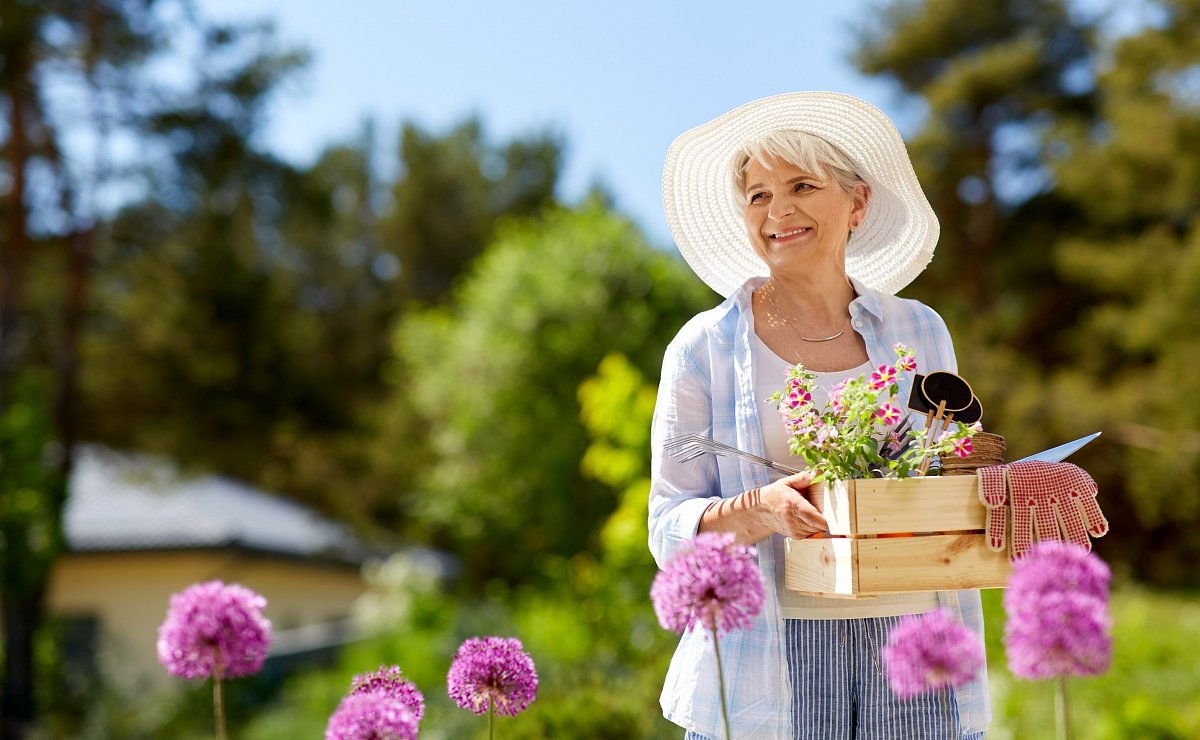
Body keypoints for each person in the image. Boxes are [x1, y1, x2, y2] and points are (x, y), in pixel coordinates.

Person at [649, 92, 990, 739]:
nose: (778, 210)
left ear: (857, 203)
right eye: (757, 195)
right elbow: (666, 528)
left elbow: (955, 472)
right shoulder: (706, 347)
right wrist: (758, 509)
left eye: (802, 185)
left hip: (916, 643)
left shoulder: (919, 329)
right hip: (768, 661)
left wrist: (1008, 488)